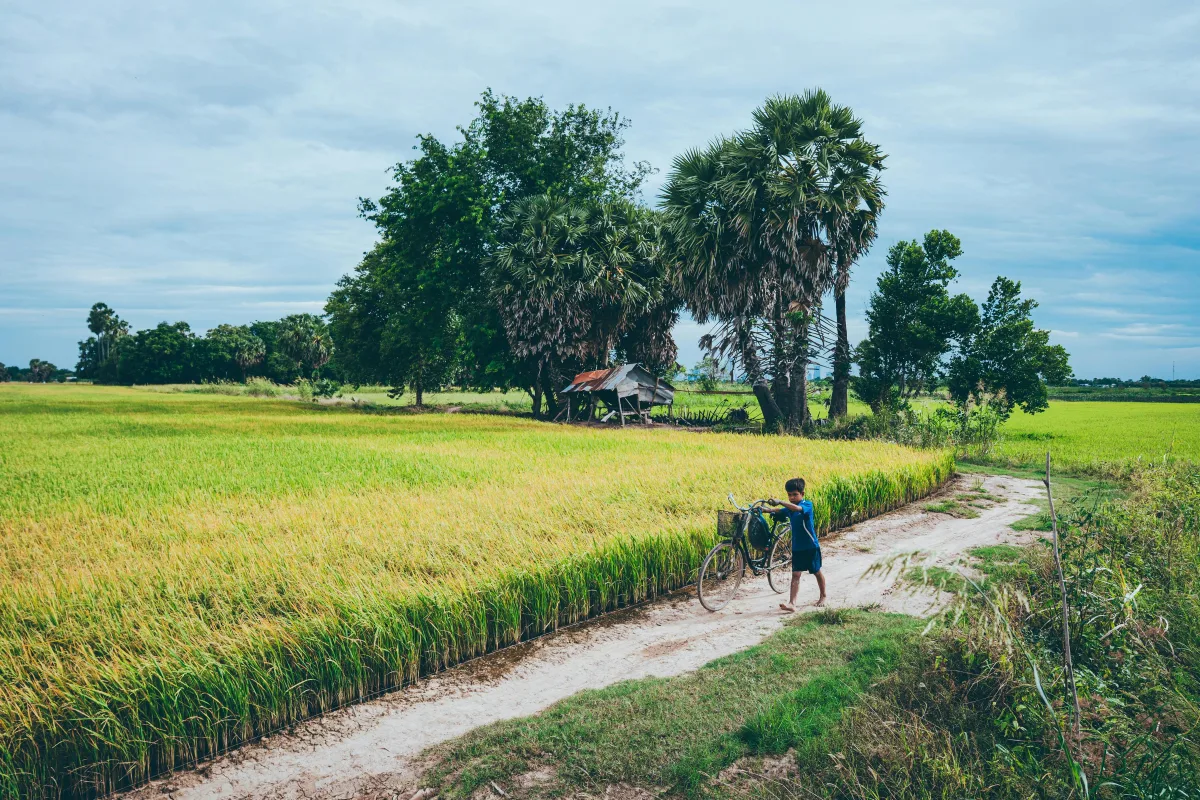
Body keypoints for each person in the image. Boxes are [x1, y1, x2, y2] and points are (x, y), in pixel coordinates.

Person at [766, 477, 826, 611]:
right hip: (797, 547)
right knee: (796, 575)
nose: (792, 497)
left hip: (810, 546)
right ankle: (792, 603)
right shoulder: (789, 509)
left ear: (802, 494)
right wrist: (764, 509)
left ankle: (823, 595)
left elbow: (797, 508)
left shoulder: (806, 505)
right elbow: (778, 511)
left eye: (795, 494)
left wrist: (781, 501)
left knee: (816, 571)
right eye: (789, 495)